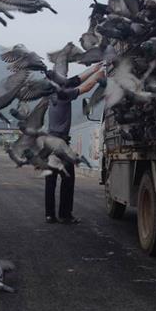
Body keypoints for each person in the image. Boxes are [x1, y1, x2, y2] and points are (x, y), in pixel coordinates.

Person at [44, 64, 105, 224]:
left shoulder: (53, 92)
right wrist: (98, 76)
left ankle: (50, 215)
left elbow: (78, 79)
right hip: (60, 143)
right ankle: (65, 215)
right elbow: (85, 87)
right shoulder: (63, 94)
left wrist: (94, 69)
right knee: (68, 177)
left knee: (51, 180)